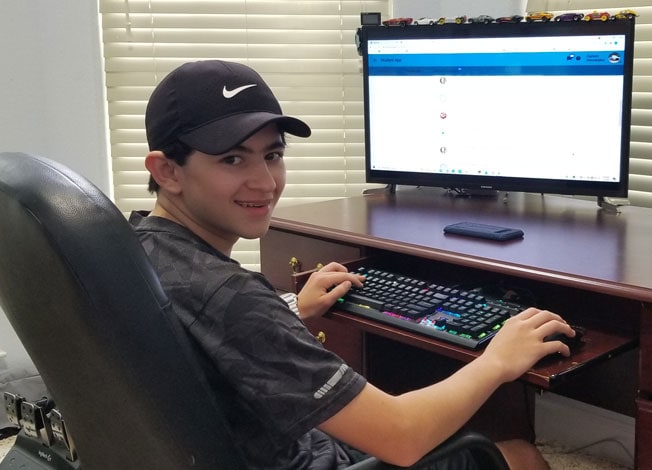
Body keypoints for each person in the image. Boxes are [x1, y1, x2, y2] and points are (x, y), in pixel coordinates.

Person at [132, 59, 577, 470]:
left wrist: (288, 311)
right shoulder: (232, 298)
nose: (265, 183)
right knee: (518, 454)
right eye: (232, 159)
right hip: (309, 459)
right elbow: (401, 435)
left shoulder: (134, 248)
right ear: (167, 171)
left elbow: (208, 337)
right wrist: (497, 360)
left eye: (272, 154)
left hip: (269, 443)